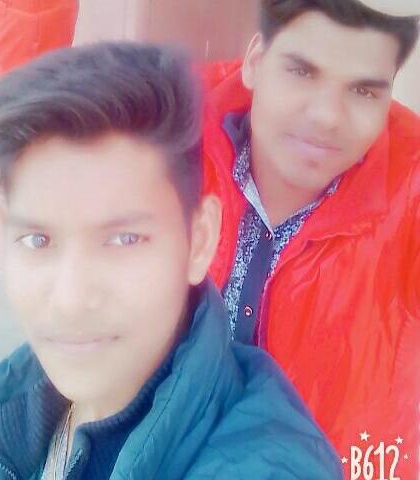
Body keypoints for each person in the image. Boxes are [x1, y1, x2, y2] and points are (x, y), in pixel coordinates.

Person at [0, 42, 342, 479]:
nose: (70, 300)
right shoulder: (19, 408)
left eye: (123, 239)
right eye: (38, 240)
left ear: (199, 240)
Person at [201, 1, 420, 478]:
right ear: (255, 61)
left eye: (363, 90)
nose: (326, 117)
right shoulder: (171, 126)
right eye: (302, 71)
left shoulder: (410, 186)